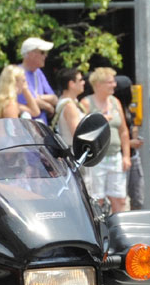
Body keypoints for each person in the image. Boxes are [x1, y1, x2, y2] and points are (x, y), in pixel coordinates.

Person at [80, 67, 132, 214]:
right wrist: (101, 120)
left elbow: (123, 130)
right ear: (98, 84)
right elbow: (83, 131)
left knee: (120, 198)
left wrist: (126, 155)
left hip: (115, 155)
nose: (114, 85)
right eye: (110, 82)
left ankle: (118, 231)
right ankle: (100, 232)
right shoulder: (86, 103)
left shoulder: (115, 102)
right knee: (97, 199)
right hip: (97, 159)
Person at [113, 74, 145, 209]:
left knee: (138, 196)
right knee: (120, 198)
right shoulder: (113, 109)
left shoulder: (128, 108)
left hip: (133, 156)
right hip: (119, 157)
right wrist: (129, 143)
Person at [17, 37, 56, 124]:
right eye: (42, 52)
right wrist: (48, 106)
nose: (45, 55)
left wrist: (40, 97)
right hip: (25, 129)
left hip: (40, 129)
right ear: (31, 54)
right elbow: (31, 102)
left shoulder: (38, 73)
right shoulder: (18, 73)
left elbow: (54, 98)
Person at [52, 66, 85, 147]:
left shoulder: (67, 102)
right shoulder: (70, 106)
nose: (83, 82)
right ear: (71, 84)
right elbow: (78, 135)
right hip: (74, 154)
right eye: (80, 80)